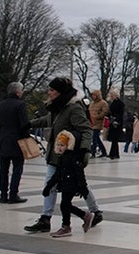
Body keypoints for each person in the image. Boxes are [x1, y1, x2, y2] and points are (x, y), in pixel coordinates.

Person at [24, 78, 104, 233]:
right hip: (56, 154)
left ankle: (93, 212)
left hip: (69, 155)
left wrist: (85, 151)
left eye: (52, 90)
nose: (49, 93)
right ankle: (46, 218)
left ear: (60, 92)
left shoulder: (73, 108)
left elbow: (86, 129)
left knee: (77, 184)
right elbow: (49, 120)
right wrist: (29, 124)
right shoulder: (59, 107)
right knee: (56, 184)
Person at [87, 89, 108, 158]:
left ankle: (93, 152)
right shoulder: (92, 103)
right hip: (91, 122)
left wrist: (97, 116)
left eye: (94, 95)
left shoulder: (103, 103)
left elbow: (104, 112)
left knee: (94, 138)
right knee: (96, 138)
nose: (93, 97)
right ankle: (103, 151)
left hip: (98, 122)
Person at [106, 89, 125, 159]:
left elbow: (121, 114)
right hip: (112, 122)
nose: (111, 96)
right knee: (114, 139)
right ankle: (115, 153)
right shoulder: (113, 103)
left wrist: (116, 119)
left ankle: (113, 153)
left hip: (117, 123)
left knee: (115, 139)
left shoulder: (120, 103)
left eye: (112, 95)